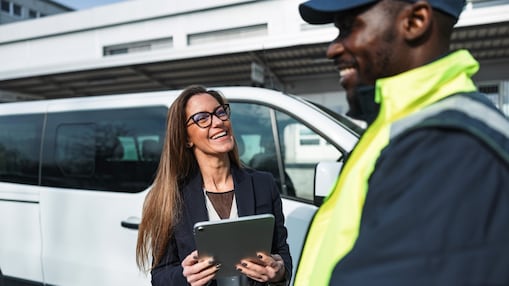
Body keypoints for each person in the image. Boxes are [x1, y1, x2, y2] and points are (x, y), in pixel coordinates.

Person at [294, 0, 509, 285]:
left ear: (415, 21)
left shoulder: (448, 145)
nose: (332, 48)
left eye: (347, 27)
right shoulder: (399, 124)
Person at [136, 85, 292, 286]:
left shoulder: (263, 184)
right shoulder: (171, 196)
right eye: (202, 118)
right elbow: (159, 276)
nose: (218, 122)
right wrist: (186, 277)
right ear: (185, 139)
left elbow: (282, 255)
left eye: (220, 112)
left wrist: (279, 272)